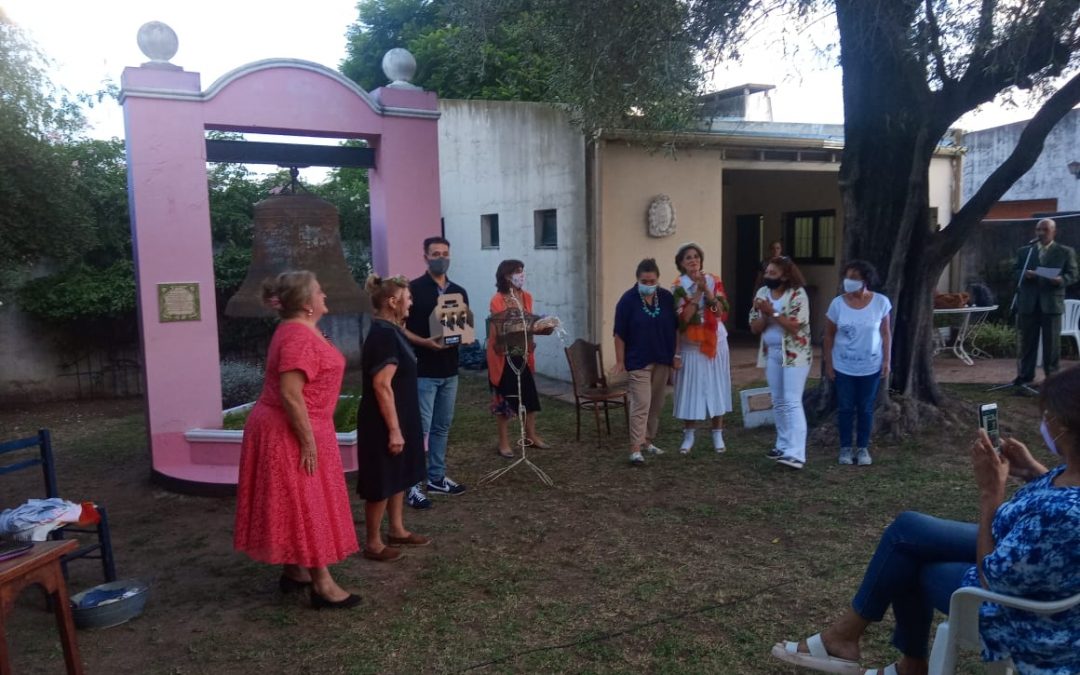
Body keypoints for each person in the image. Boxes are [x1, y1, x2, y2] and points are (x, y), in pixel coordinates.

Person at [771, 365, 1080, 675]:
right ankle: (859, 645)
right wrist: (1032, 471)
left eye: (1047, 415)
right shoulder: (1071, 479)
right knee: (909, 529)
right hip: (1028, 558)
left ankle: (868, 649)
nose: (1044, 422)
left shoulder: (1060, 515)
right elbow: (1055, 512)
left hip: (1022, 610)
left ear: (1064, 428)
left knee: (910, 562)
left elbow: (994, 578)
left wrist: (990, 494)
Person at [234, 271, 360, 610]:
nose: (324, 296)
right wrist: (307, 442)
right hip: (289, 430)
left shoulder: (297, 330)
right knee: (307, 502)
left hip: (296, 426)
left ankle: (295, 570)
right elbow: (291, 395)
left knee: (297, 500)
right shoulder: (298, 338)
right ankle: (322, 584)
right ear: (306, 304)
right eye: (319, 292)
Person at [355, 274, 431, 562]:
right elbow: (381, 385)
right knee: (382, 479)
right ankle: (373, 543)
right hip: (384, 422)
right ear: (392, 302)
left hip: (401, 416)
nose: (411, 302)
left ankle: (397, 529)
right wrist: (394, 430)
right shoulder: (383, 336)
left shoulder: (392, 330)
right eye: (407, 298)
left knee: (399, 475)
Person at [403, 237, 469, 510]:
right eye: (435, 253)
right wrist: (424, 342)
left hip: (449, 371)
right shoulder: (413, 289)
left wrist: (464, 337)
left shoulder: (458, 291)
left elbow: (459, 330)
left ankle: (436, 478)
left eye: (445, 253)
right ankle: (411, 485)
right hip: (423, 371)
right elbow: (400, 327)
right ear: (425, 257)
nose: (440, 257)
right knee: (420, 430)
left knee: (442, 427)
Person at [823, 260, 893, 466]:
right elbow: (828, 336)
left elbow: (886, 333)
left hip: (870, 366)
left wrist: (887, 360)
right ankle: (845, 447)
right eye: (847, 277)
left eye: (854, 278)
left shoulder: (881, 302)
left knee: (865, 408)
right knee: (845, 407)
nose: (849, 282)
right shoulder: (837, 304)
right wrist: (828, 363)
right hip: (843, 366)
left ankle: (862, 448)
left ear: (865, 280)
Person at [612, 258, 679, 465]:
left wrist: (675, 355)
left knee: (656, 403)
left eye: (652, 281)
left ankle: (648, 441)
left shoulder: (666, 298)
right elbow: (619, 334)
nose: (648, 285)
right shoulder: (628, 300)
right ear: (638, 279)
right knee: (641, 402)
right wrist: (620, 360)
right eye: (644, 281)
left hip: (662, 358)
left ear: (658, 279)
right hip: (638, 359)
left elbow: (676, 329)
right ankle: (635, 448)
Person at [749, 257, 813, 470]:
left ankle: (797, 453)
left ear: (785, 276)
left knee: (792, 400)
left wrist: (772, 312)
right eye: (767, 272)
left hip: (795, 354)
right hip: (772, 353)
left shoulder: (797, 294)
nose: (768, 277)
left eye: (773, 274)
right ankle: (783, 445)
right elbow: (755, 327)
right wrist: (765, 316)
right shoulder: (762, 294)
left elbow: (794, 327)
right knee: (778, 400)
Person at [671, 243, 733, 454]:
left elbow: (720, 313)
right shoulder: (678, 286)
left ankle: (717, 434)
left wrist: (707, 290)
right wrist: (697, 294)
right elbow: (683, 320)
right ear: (681, 263)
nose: (693, 260)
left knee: (717, 387)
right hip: (691, 345)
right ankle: (689, 436)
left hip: (715, 341)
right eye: (687, 257)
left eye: (696, 256)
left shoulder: (713, 280)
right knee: (691, 389)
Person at [486, 259, 552, 458]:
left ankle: (530, 436)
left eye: (522, 271)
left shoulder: (527, 296)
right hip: (503, 354)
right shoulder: (497, 299)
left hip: (522, 352)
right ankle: (504, 442)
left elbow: (528, 323)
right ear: (506, 276)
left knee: (530, 396)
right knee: (505, 399)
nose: (521, 275)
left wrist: (543, 327)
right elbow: (503, 327)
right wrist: (529, 326)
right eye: (517, 271)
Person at [1013, 218, 1078, 387]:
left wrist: (1061, 280)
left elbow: (1073, 275)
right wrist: (1023, 274)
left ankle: (1052, 378)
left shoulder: (1065, 252)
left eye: (1045, 230)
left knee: (1051, 344)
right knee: (1028, 342)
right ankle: (1025, 376)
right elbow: (1014, 271)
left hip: (1051, 303)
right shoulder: (1025, 251)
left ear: (1053, 232)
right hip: (1029, 303)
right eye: (1038, 229)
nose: (1040, 233)